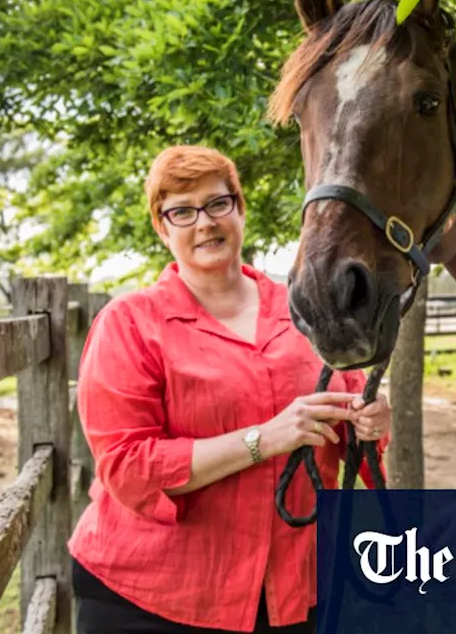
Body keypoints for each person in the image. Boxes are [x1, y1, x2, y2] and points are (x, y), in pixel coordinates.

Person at [68, 145, 392, 633]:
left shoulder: (305, 310)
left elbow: (347, 427)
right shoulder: (130, 324)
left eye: (218, 204)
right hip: (153, 598)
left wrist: (368, 421)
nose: (205, 223)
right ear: (162, 227)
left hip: (293, 591)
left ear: (239, 208)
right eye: (182, 211)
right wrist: (264, 439)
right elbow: (128, 467)